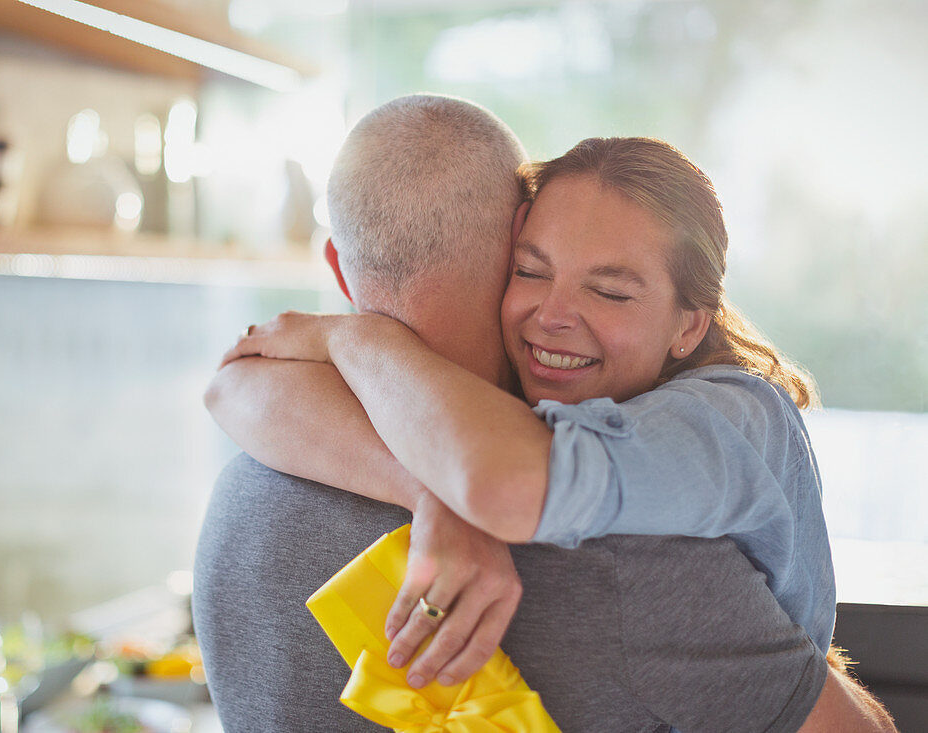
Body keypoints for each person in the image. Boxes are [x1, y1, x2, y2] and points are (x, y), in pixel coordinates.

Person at [198, 95, 895, 731]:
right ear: (509, 251)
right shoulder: (632, 556)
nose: (556, 314)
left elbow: (230, 384)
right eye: (535, 270)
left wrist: (355, 336)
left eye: (610, 289)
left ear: (339, 268)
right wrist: (435, 494)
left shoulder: (238, 493)